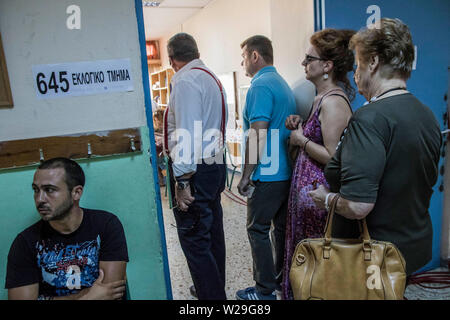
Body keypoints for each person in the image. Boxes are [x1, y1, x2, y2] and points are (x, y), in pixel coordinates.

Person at [309, 18, 442, 278]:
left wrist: (326, 199)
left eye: (358, 63)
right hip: (412, 247)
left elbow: (358, 206)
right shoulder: (427, 115)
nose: (356, 73)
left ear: (373, 62)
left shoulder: (370, 119)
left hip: (373, 255)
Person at [281, 29, 355, 300]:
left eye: (308, 59)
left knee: (314, 270)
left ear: (327, 66)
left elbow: (335, 158)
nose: (304, 64)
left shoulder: (334, 102)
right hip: (308, 199)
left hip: (318, 202)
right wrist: (299, 127)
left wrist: (301, 141)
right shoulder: (319, 98)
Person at [5, 157, 128, 300]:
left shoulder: (106, 225)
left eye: (49, 190)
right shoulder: (25, 242)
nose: (40, 199)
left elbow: (110, 294)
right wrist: (88, 298)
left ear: (76, 193)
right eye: (36, 190)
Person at [163, 33, 228, 300]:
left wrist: (183, 181)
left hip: (196, 171)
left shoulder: (186, 80)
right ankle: (211, 286)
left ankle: (211, 297)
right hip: (213, 164)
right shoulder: (209, 77)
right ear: (196, 52)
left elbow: (187, 132)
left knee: (195, 239)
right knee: (212, 233)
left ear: (171, 59)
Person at [236, 35, 296, 300]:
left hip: (268, 174)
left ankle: (263, 292)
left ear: (255, 56)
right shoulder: (282, 83)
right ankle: (279, 283)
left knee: (257, 229)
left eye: (243, 57)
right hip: (286, 173)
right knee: (279, 229)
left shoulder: (260, 86)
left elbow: (258, 134)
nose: (242, 63)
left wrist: (246, 174)